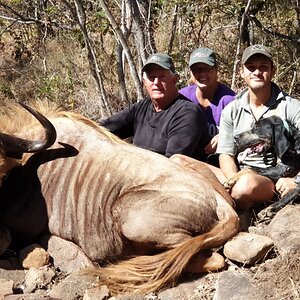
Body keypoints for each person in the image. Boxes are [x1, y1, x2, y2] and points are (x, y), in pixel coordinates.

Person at [217, 44, 300, 209]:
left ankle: (242, 208)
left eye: (263, 67)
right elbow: (226, 153)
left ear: (273, 71)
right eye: (251, 67)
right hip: (238, 174)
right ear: (242, 72)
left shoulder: (292, 107)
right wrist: (233, 178)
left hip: (270, 179)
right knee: (180, 162)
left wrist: (296, 181)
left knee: (245, 186)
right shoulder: (231, 110)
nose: (256, 72)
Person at [100, 53, 210, 161]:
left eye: (162, 77)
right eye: (151, 77)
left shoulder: (187, 113)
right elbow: (104, 128)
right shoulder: (142, 107)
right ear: (144, 82)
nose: (156, 82)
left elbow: (173, 166)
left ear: (174, 80)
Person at [179, 47, 235, 159]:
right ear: (190, 72)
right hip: (188, 157)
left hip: (218, 160)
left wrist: (225, 137)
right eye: (196, 69)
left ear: (216, 69)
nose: (202, 74)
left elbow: (243, 131)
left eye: (207, 68)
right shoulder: (182, 97)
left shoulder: (230, 100)